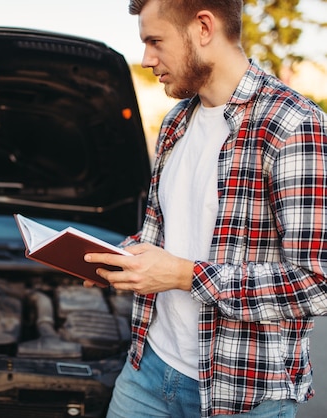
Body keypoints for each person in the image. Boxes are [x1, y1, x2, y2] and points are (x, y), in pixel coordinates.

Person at [82, 0, 327, 417]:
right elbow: (164, 234)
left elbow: (315, 282)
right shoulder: (176, 122)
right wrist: (122, 259)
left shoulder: (293, 126)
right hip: (148, 369)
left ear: (203, 27)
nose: (145, 59)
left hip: (243, 394)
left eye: (155, 41)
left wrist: (182, 275)